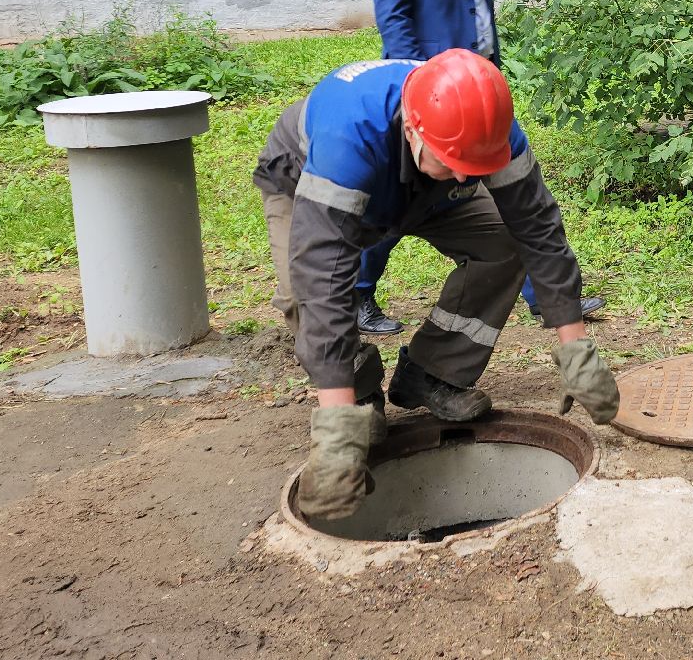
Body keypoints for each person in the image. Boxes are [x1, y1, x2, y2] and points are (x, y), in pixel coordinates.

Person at [253, 48, 620, 520]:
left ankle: (432, 373)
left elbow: (537, 228)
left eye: (477, 164)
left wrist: (577, 350)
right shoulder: (352, 138)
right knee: (303, 300)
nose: (469, 175)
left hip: (428, 191)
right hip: (307, 179)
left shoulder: (484, 133)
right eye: (456, 162)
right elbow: (321, 277)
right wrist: (339, 429)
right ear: (412, 131)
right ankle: (362, 396)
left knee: (504, 242)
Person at [357, 0, 602, 335]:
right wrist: (419, 92)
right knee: (399, 203)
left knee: (519, 188)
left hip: (482, 82)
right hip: (435, 94)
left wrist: (490, 64)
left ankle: (548, 297)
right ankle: (356, 292)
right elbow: (394, 19)